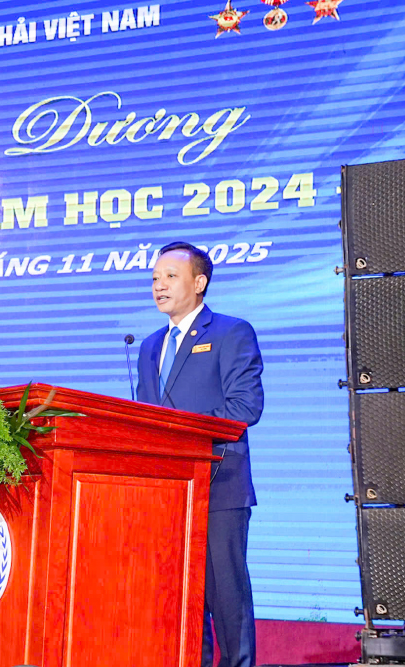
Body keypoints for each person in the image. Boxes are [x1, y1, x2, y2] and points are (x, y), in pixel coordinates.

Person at [136, 241, 264, 667]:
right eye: (155, 278)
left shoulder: (231, 332)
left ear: (199, 282)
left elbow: (245, 407)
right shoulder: (150, 346)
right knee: (179, 603)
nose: (159, 285)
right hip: (167, 493)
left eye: (171, 276)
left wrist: (182, 431)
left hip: (219, 488)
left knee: (226, 600)